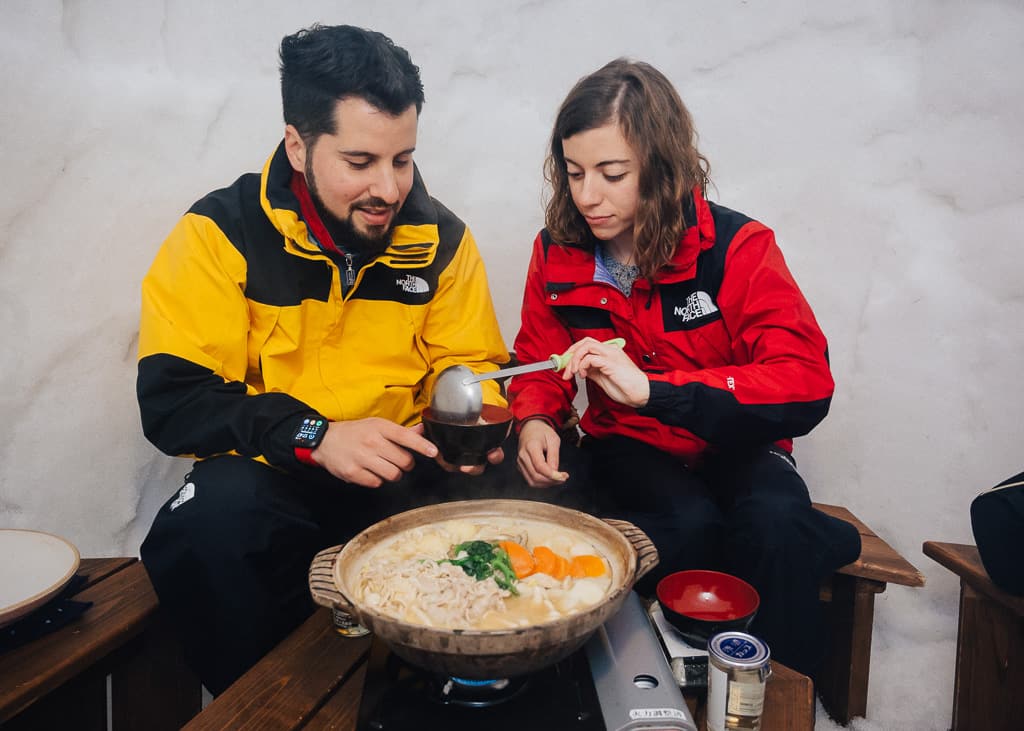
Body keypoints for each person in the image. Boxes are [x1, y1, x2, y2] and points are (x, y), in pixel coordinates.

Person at [136, 24, 511, 695]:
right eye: (361, 162)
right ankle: (266, 702)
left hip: (400, 483)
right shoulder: (219, 233)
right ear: (298, 145)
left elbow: (474, 369)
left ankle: (448, 696)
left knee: (527, 497)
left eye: (403, 160)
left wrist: (473, 430)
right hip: (277, 483)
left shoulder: (443, 241)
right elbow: (176, 400)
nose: (390, 188)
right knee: (206, 521)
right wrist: (317, 436)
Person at [509, 58, 862, 678]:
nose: (587, 196)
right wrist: (537, 416)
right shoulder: (556, 252)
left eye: (612, 174)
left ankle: (783, 703)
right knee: (674, 524)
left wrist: (661, 391)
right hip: (631, 453)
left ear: (662, 165)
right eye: (573, 174)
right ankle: (624, 690)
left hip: (740, 445)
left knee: (775, 526)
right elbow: (539, 359)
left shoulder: (738, 248)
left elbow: (804, 380)